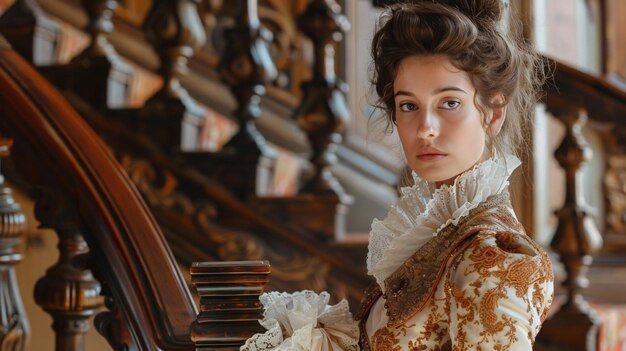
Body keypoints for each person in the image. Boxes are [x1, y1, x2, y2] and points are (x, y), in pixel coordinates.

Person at [242, 0, 554, 350]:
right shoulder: (441, 236)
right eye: (409, 106)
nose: (426, 129)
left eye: (449, 103)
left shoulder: (492, 258)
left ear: (493, 113)